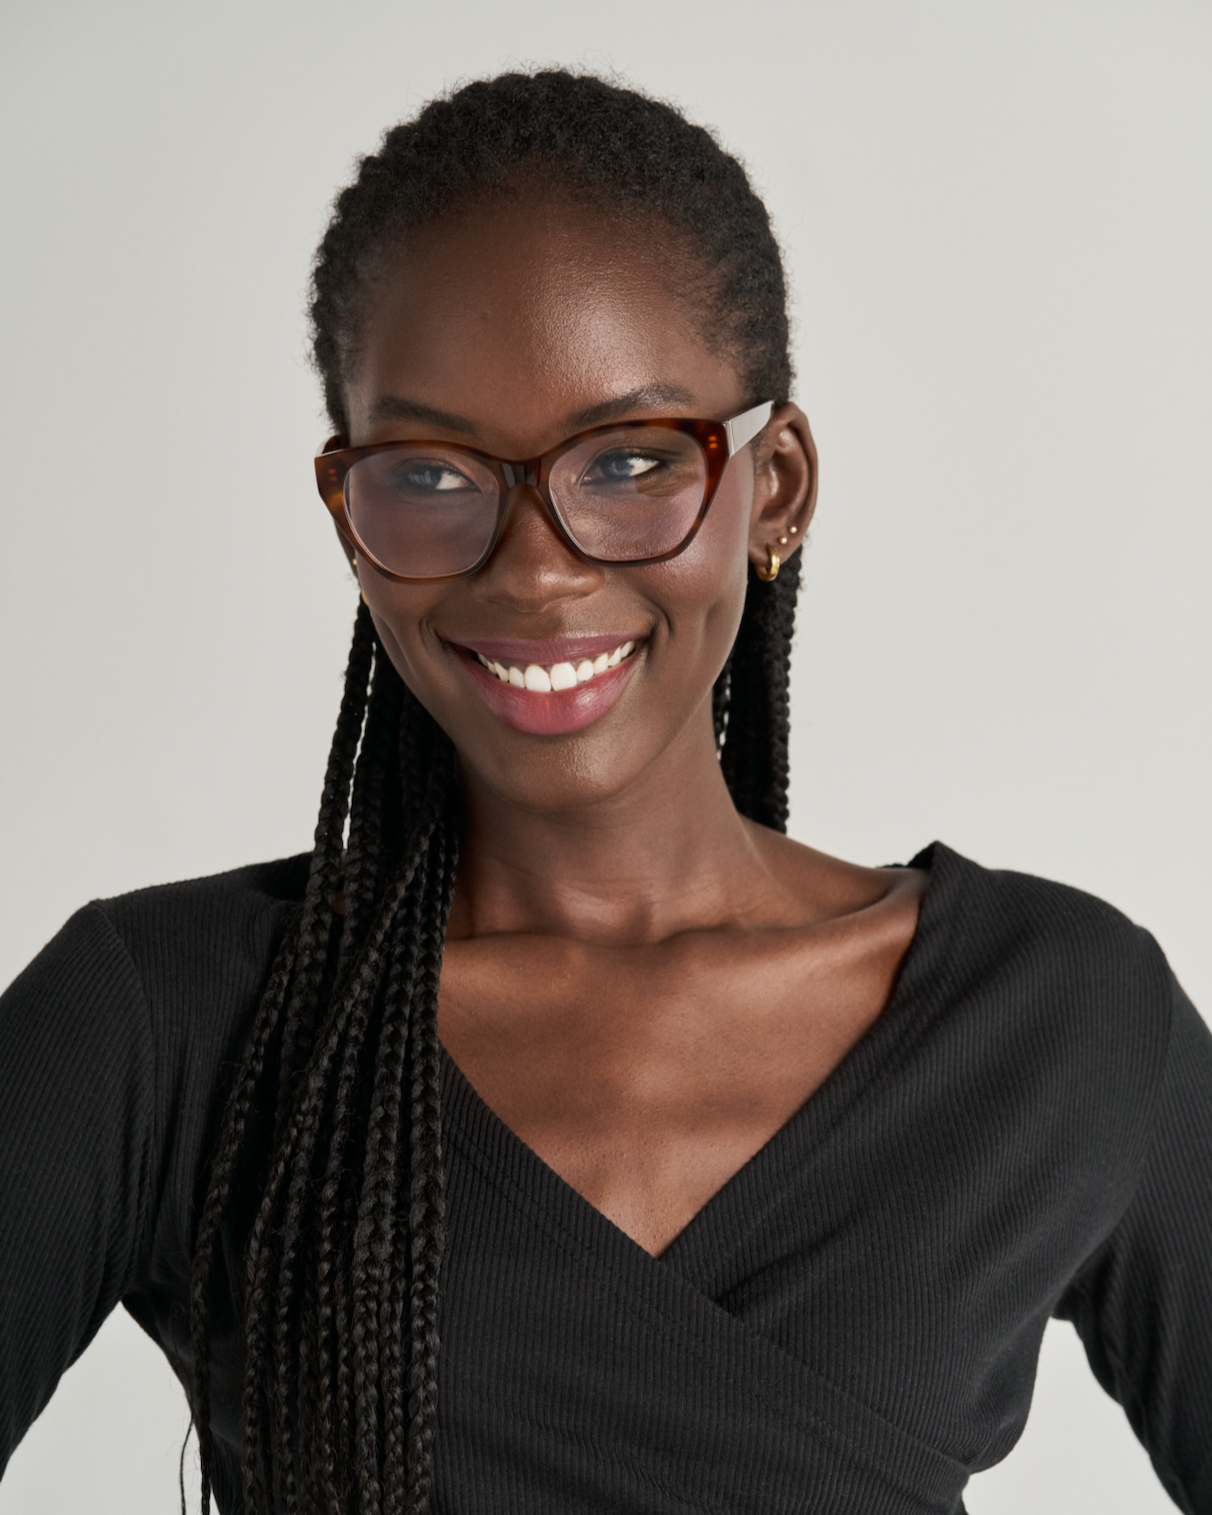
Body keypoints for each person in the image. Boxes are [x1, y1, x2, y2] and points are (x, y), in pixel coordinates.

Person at [1, 68, 1209, 1515]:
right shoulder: (170, 1022)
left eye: (634, 460)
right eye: (433, 474)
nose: (535, 567)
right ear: (347, 503)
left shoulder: (1052, 1019)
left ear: (778, 487)